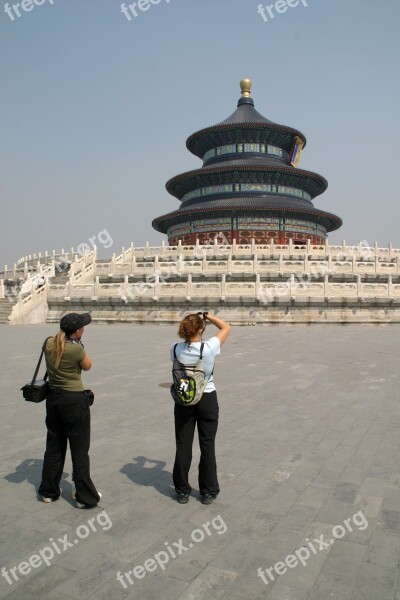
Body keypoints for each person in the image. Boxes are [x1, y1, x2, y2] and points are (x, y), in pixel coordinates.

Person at [38, 312, 101, 508]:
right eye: (82, 327)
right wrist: (79, 346)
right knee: (79, 449)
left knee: (54, 445)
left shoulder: (48, 343)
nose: (84, 329)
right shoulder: (76, 351)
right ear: (76, 331)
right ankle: (83, 494)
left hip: (53, 399)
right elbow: (88, 366)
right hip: (74, 401)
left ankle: (49, 491)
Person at [171, 312, 231, 505]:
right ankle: (208, 491)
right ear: (201, 329)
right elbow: (226, 328)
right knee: (207, 445)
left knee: (183, 445)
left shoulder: (174, 349)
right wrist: (209, 316)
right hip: (207, 398)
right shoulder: (208, 348)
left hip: (184, 400)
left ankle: (182, 490)